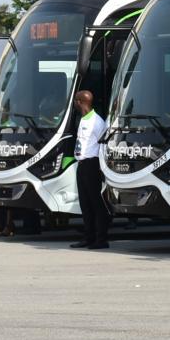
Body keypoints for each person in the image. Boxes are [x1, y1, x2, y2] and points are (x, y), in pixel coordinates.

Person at [70, 90, 110, 249]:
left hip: (92, 164)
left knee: (96, 203)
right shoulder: (82, 119)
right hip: (81, 164)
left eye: (75, 101)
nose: (74, 103)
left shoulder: (96, 121)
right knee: (85, 204)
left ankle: (101, 239)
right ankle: (88, 237)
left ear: (80, 102)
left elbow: (103, 144)